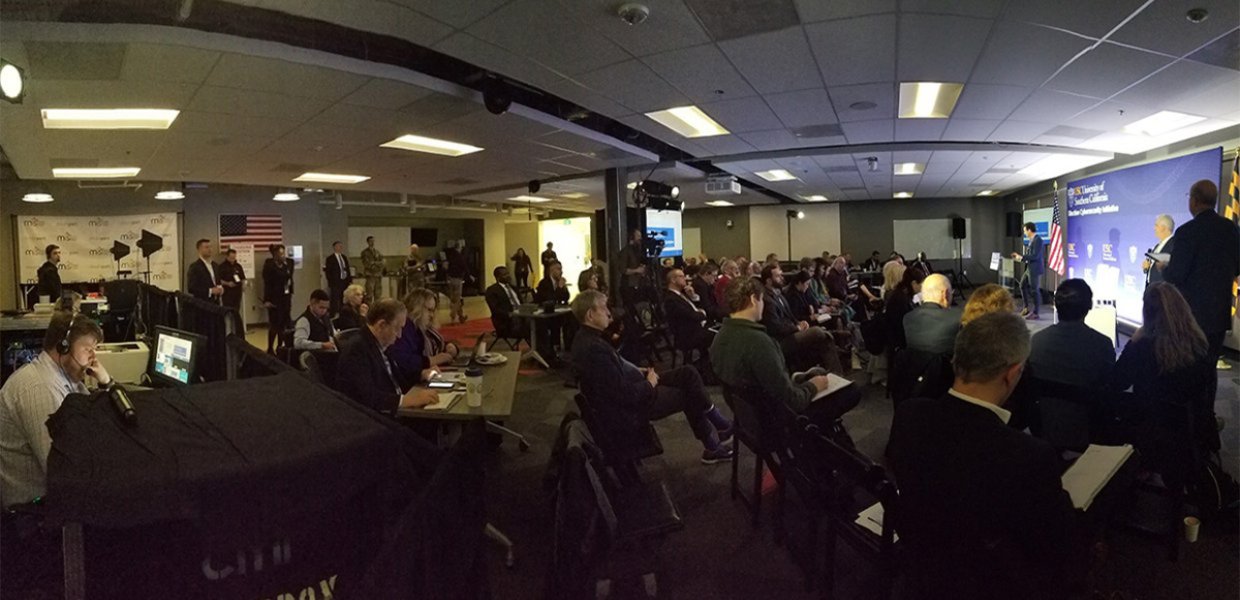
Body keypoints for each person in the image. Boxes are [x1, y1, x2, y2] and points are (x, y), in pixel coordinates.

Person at [889, 312, 1079, 599]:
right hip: (992, 583)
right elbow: (1056, 540)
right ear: (1013, 374)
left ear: (956, 359)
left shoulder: (908, 415)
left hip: (923, 570)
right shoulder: (1028, 456)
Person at [570, 290, 733, 464]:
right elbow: (623, 394)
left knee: (688, 373)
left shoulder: (587, 339)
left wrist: (636, 371)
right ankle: (713, 444)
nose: (609, 313)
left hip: (631, 388)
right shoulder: (594, 349)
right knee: (690, 394)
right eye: (603, 308)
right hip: (631, 407)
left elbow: (612, 374)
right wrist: (649, 383)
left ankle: (720, 427)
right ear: (590, 315)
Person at [711, 276, 859, 427]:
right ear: (754, 300)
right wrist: (814, 386)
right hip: (778, 421)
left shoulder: (720, 337)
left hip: (751, 419)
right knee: (851, 392)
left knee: (815, 374)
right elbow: (792, 401)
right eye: (761, 300)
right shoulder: (759, 342)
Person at [0, 311, 112, 507]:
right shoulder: (39, 388)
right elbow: (61, 470)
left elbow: (96, 416)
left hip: (50, 501)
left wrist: (107, 382)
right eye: (88, 350)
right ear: (64, 347)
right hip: (33, 513)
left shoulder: (63, 378)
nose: (94, 359)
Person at [1112, 282, 1216, 467]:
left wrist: (1132, 343)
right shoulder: (1200, 347)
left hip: (1147, 434)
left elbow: (1117, 381)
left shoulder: (1142, 348)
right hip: (1192, 435)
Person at [1162, 179, 1240, 384]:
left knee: (1188, 370)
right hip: (1219, 314)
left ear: (1195, 201)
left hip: (1191, 317)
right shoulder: (1230, 228)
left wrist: (1164, 268)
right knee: (1209, 369)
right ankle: (1208, 414)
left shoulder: (1187, 232)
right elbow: (1237, 267)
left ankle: (1190, 415)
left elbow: (1176, 275)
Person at [334, 299, 437, 415]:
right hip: (376, 420)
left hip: (395, 411)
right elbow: (366, 396)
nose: (399, 335)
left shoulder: (382, 344)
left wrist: (420, 374)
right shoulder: (356, 349)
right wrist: (405, 400)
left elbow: (394, 378)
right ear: (381, 325)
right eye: (397, 328)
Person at [1024, 279, 1115, 388]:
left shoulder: (1036, 341)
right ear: (1089, 305)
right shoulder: (1103, 345)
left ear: (1056, 305)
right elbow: (1111, 384)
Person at [760, 264, 842, 373]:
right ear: (769, 281)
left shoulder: (778, 294)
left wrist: (799, 322)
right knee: (819, 333)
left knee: (823, 337)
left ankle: (828, 373)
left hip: (791, 331)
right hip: (782, 339)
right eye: (778, 276)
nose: (782, 278)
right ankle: (837, 373)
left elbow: (790, 315)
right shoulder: (766, 299)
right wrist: (797, 327)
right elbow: (775, 327)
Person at [387, 289, 459, 390]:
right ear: (417, 308)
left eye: (433, 310)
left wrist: (450, 346)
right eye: (429, 310)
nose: (432, 315)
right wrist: (431, 361)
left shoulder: (422, 328)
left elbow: (435, 343)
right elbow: (402, 359)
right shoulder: (406, 328)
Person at [902, 273, 960, 356]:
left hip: (915, 367)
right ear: (945, 294)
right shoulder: (958, 318)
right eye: (952, 292)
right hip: (946, 367)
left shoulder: (908, 318)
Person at [662, 268, 714, 360]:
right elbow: (690, 315)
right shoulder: (671, 299)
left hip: (695, 327)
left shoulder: (681, 294)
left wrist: (693, 296)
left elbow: (695, 309)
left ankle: (706, 361)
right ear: (673, 280)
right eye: (681, 276)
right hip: (687, 334)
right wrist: (703, 314)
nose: (685, 278)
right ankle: (708, 363)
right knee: (719, 334)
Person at [262, 243, 294, 354]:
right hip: (274, 298)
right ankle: (270, 347)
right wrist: (267, 300)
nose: (282, 255)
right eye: (280, 253)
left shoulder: (287, 264)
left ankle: (280, 346)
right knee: (275, 324)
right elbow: (267, 283)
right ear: (275, 254)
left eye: (283, 253)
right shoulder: (269, 265)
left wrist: (285, 264)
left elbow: (289, 277)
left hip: (285, 297)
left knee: (283, 324)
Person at [884, 266, 925, 351]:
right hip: (900, 345)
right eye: (921, 284)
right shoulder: (901, 299)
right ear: (914, 284)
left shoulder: (900, 294)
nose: (922, 287)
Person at [1012, 222, 1045, 320]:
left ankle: (1036, 313)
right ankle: (1026, 307)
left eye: (1025, 230)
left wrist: (1022, 257)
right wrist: (1020, 258)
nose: (1025, 233)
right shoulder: (1032, 240)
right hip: (1029, 269)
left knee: (1035, 290)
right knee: (1022, 285)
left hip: (1034, 269)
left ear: (1030, 230)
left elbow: (1035, 256)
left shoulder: (1038, 240)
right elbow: (1029, 256)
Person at [484, 266, 525, 341]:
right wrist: (511, 314)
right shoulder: (492, 290)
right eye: (505, 275)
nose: (508, 276)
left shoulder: (514, 288)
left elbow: (521, 303)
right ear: (498, 278)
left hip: (522, 315)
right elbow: (495, 309)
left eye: (508, 273)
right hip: (507, 321)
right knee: (533, 328)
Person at [1142, 214, 1175, 286]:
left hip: (1163, 290)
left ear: (1163, 228)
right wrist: (1148, 267)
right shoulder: (1157, 246)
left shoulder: (1174, 244)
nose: (1154, 228)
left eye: (1156, 225)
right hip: (1153, 288)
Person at [443, 240, 469, 324]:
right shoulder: (460, 256)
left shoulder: (450, 255)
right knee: (457, 299)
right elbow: (464, 267)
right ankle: (453, 315)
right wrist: (470, 276)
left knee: (453, 298)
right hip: (457, 279)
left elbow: (445, 267)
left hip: (450, 279)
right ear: (459, 247)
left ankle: (461, 316)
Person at [324, 240, 352, 314]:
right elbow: (328, 272)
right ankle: (333, 313)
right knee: (335, 298)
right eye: (339, 246)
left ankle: (343, 312)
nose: (340, 248)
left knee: (343, 298)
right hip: (335, 282)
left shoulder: (344, 257)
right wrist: (330, 282)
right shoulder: (330, 258)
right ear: (335, 247)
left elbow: (347, 269)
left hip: (344, 281)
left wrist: (349, 280)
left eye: (341, 246)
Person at [360, 236, 384, 302]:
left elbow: (382, 262)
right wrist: (376, 264)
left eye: (373, 241)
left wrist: (375, 263)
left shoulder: (377, 252)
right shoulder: (365, 252)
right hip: (370, 275)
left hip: (378, 275)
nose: (372, 242)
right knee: (369, 294)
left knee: (378, 294)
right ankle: (369, 309)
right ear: (368, 242)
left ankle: (377, 309)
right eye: (371, 241)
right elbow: (367, 264)